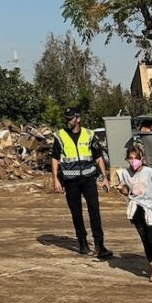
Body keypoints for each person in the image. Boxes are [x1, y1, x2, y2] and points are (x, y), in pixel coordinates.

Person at [51, 107, 112, 258]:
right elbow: (55, 158)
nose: (67, 121)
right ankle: (82, 243)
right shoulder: (60, 136)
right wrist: (55, 179)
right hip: (70, 180)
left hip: (88, 179)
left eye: (70, 118)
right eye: (66, 118)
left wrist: (104, 177)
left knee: (94, 211)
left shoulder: (89, 135)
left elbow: (98, 157)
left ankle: (99, 244)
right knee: (76, 212)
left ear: (78, 119)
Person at [116, 145, 152, 282]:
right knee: (145, 240)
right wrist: (121, 189)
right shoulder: (125, 173)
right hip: (136, 209)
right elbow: (127, 192)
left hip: (150, 208)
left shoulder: (149, 171)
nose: (133, 161)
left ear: (142, 159)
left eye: (135, 158)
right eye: (130, 158)